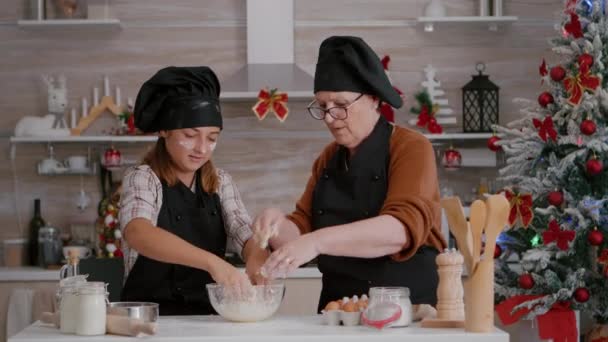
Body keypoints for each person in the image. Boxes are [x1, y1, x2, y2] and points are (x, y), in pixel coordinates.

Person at [253, 36, 447, 312]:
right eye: (322, 106)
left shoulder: (411, 147)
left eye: (340, 105)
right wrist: (275, 224)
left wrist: (316, 242)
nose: (330, 118)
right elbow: (299, 232)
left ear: (373, 99)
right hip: (338, 313)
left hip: (406, 313)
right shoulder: (328, 159)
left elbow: (400, 231)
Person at [119, 66, 268, 315]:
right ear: (164, 130)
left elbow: (245, 233)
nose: (201, 148)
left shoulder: (221, 182)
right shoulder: (143, 178)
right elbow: (138, 232)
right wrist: (213, 263)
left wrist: (256, 257)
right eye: (190, 135)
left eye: (212, 138)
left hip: (207, 319)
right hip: (148, 321)